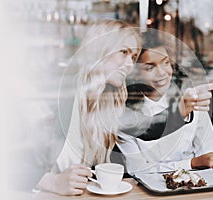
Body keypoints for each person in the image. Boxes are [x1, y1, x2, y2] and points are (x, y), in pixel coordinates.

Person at [116, 33, 213, 175]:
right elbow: (138, 170)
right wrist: (192, 163)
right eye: (150, 67)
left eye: (166, 62)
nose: (162, 73)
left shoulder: (191, 100)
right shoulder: (123, 114)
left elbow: (210, 154)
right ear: (134, 73)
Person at [35, 19, 141, 195]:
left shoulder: (111, 103)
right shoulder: (61, 98)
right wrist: (53, 182)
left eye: (133, 57)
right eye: (123, 52)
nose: (130, 64)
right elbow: (7, 161)